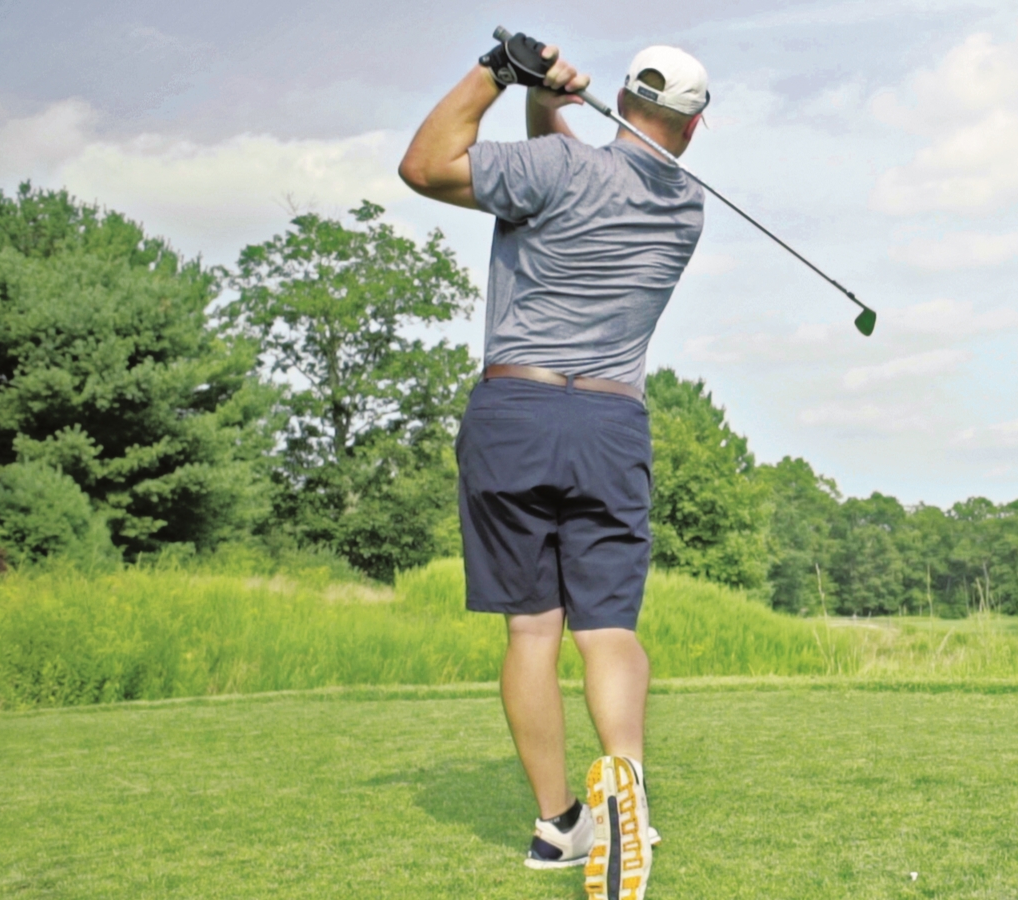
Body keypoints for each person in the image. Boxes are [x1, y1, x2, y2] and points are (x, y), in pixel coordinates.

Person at [397, 33, 710, 900]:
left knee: (531, 629)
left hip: (516, 411)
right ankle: (629, 794)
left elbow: (424, 166)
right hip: (610, 421)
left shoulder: (555, 175)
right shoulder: (685, 206)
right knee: (606, 627)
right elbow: (566, 164)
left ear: (622, 97)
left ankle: (560, 823)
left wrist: (501, 74)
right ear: (694, 126)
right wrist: (550, 105)